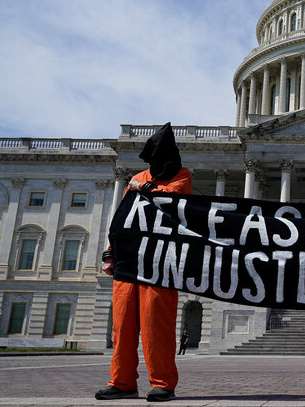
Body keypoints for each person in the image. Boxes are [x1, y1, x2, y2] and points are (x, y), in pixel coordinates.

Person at [95, 123, 190, 402]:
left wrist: (145, 187)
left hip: (159, 262)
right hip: (128, 260)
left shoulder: (180, 176)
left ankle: (163, 383)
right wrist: (110, 254)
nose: (161, 164)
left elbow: (173, 203)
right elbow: (122, 219)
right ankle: (122, 381)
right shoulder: (136, 178)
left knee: (155, 324)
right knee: (122, 325)